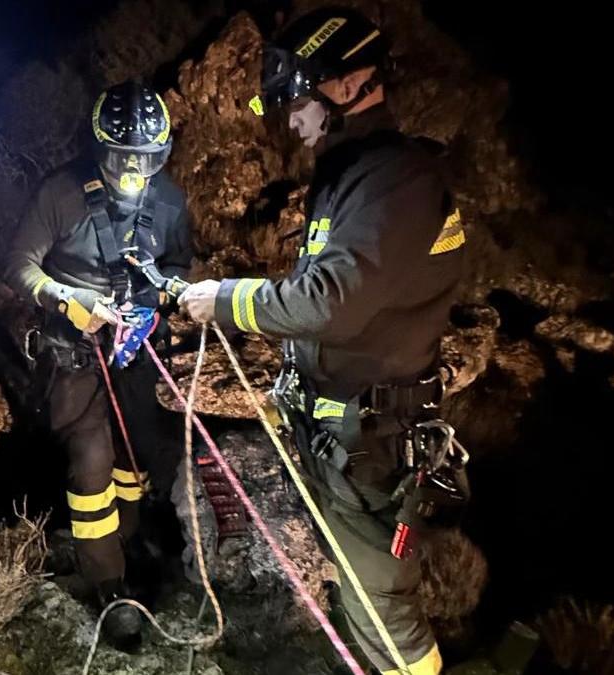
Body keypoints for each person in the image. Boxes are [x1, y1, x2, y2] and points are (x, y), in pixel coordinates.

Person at [180, 7, 466, 673]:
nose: (291, 120)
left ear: (350, 84)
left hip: (373, 441)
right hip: (345, 431)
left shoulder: (398, 180)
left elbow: (325, 304)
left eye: (298, 101)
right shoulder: (355, 176)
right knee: (363, 592)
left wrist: (218, 299)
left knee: (385, 606)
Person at [4, 80, 194, 650]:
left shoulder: (170, 201)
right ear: (99, 149)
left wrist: (157, 302)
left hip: (133, 347)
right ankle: (108, 585)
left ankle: (128, 540)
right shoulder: (61, 193)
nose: (132, 171)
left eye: (145, 160)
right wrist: (69, 300)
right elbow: (19, 266)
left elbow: (179, 263)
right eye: (120, 158)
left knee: (137, 454)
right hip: (75, 350)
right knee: (91, 462)